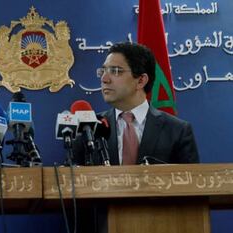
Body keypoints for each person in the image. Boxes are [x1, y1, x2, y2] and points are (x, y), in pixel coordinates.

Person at [72, 42, 200, 233]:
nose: (105, 79)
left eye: (115, 71)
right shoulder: (88, 128)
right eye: (103, 71)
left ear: (141, 81)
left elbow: (193, 194)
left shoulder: (178, 131)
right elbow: (75, 200)